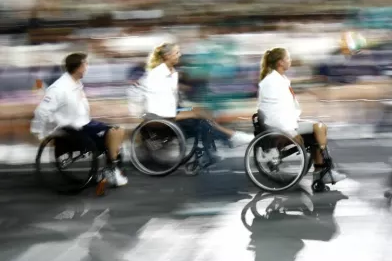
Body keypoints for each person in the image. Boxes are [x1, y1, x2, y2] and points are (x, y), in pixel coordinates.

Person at [140, 43, 252, 165]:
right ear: (167, 56)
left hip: (171, 113)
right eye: (177, 52)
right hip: (160, 119)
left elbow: (174, 103)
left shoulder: (173, 74)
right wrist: (190, 113)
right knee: (200, 119)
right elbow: (160, 109)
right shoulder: (157, 75)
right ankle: (229, 138)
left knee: (203, 112)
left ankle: (219, 145)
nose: (180, 55)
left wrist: (191, 110)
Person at [31, 52, 128, 187]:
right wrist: (41, 133)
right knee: (114, 133)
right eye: (86, 64)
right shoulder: (59, 88)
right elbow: (41, 111)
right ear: (79, 67)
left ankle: (110, 168)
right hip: (73, 130)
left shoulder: (76, 83)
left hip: (86, 124)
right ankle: (111, 169)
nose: (87, 67)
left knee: (119, 131)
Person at [258, 47, 347, 189]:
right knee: (319, 128)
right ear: (280, 62)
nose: (290, 61)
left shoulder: (280, 80)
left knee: (318, 130)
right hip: (279, 126)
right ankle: (324, 170)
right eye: (288, 58)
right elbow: (272, 112)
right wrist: (291, 132)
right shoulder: (272, 82)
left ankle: (322, 171)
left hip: (285, 122)